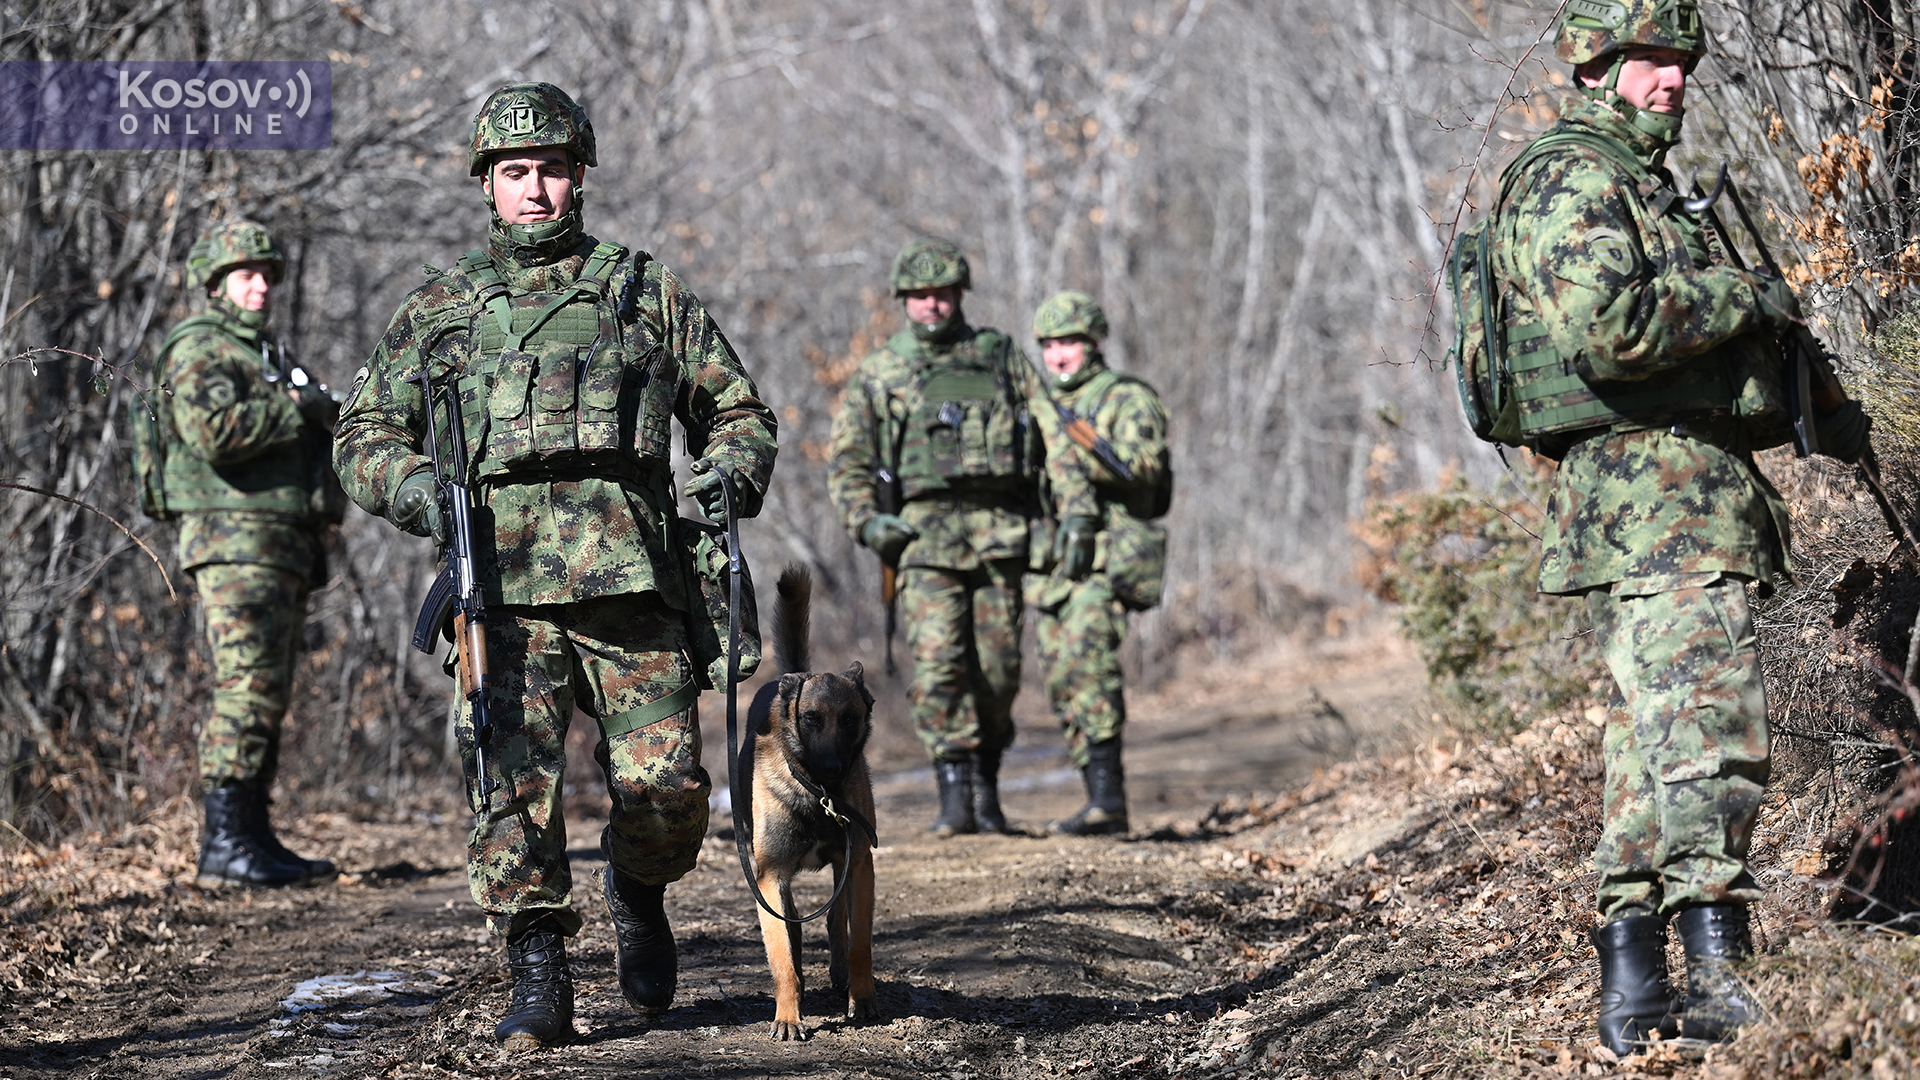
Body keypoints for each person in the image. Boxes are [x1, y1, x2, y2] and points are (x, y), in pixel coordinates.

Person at [332, 82, 777, 1049]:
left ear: (580, 177)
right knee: (508, 788)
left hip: (633, 582)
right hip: (501, 591)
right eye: (515, 172)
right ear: (487, 182)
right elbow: (363, 434)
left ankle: (637, 886)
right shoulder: (442, 309)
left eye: (553, 171)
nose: (535, 190)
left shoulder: (641, 289)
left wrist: (731, 474)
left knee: (670, 799)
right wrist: (423, 499)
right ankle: (539, 971)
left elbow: (739, 410)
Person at [1497, 0, 1872, 1055]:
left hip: (1673, 491)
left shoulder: (1642, 186)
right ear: (1599, 66)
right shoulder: (1576, 177)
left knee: (1651, 743)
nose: (1672, 79)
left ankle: (1635, 992)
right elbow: (1609, 329)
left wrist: (1834, 420)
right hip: (1652, 501)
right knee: (1709, 730)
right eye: (1651, 60)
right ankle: (1715, 978)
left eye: (1681, 62)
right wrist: (1743, 296)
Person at [827, 239, 1092, 836]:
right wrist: (868, 522)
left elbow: (1054, 437)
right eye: (920, 296)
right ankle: (954, 795)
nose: (932, 306)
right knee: (940, 666)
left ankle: (988, 785)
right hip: (923, 544)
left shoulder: (999, 357)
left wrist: (1074, 514)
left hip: (1000, 538)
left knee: (997, 674)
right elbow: (848, 462)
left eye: (942, 294)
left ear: (960, 295)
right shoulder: (881, 371)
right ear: (904, 300)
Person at [156, 219, 343, 890]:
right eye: (245, 274)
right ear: (215, 284)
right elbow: (211, 431)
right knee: (246, 688)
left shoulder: (263, 351)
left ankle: (253, 836)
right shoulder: (202, 347)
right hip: (235, 541)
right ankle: (225, 843)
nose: (260, 286)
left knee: (270, 690)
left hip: (277, 540)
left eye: (267, 275)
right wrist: (297, 406)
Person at [1026, 292, 1170, 836]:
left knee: (1089, 666)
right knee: (1062, 678)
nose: (1059, 356)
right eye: (1050, 345)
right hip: (1056, 565)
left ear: (1093, 344)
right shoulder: (1038, 403)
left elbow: (1144, 467)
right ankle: (1097, 797)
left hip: (1106, 561)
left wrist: (1067, 448)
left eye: (1070, 343)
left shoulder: (1125, 398)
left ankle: (1109, 800)